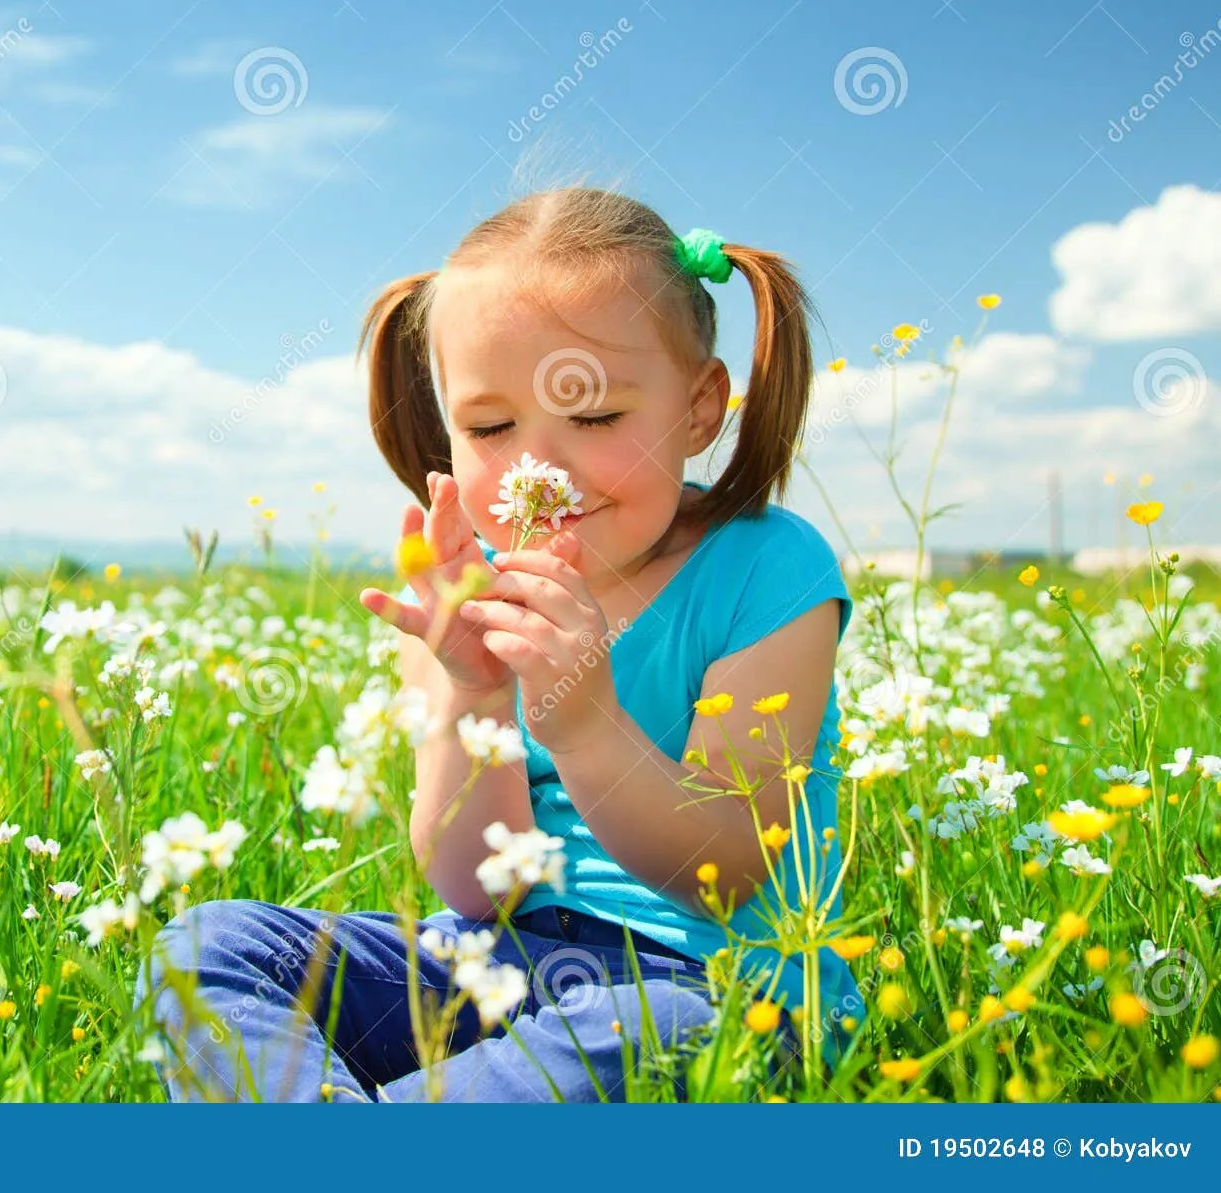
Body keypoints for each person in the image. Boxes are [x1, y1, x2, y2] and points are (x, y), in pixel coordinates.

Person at [135, 185, 857, 1102]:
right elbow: (475, 890)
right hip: (487, 962)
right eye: (489, 428)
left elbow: (722, 872)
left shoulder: (766, 568)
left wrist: (586, 722)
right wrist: (473, 692)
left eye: (594, 418)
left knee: (659, 1030)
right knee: (212, 948)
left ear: (700, 407)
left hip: (710, 985)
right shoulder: (459, 584)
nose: (538, 473)